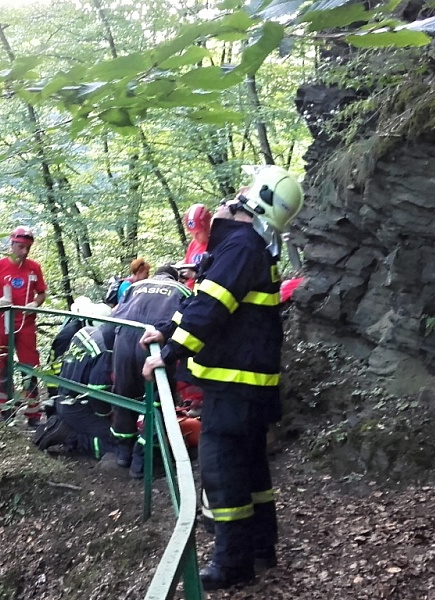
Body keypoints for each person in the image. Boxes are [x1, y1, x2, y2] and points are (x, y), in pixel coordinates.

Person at [141, 165, 304, 591]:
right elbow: (205, 300)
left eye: (246, 187)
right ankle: (260, 548)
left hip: (235, 385)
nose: (232, 194)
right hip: (248, 384)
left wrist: (170, 354)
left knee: (223, 469)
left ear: (255, 201)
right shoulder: (247, 247)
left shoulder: (241, 248)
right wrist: (168, 330)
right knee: (251, 468)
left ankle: (232, 564)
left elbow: (212, 308)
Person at [108, 264, 192, 470]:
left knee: (123, 396)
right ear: (175, 278)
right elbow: (188, 323)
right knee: (158, 400)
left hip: (124, 342)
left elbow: (115, 315)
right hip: (155, 344)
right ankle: (143, 462)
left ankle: (123, 453)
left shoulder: (134, 287)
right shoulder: (182, 290)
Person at [0, 226, 47, 427]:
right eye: (20, 247)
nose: (24, 252)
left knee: (30, 367)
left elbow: (42, 293)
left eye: (27, 248)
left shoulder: (34, 268)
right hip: (3, 323)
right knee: (4, 367)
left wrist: (34, 304)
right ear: (12, 245)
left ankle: (33, 414)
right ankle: (5, 411)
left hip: (26, 324)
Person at [32, 323, 118, 460]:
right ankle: (71, 436)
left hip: (64, 398)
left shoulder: (85, 332)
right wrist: (110, 415)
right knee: (118, 442)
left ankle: (62, 423)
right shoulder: (105, 352)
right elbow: (98, 396)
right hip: (79, 408)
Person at [181, 203, 213, 290]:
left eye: (198, 233)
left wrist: (195, 275)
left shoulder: (217, 244)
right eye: (191, 233)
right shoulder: (194, 243)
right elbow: (187, 263)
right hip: (189, 291)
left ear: (208, 227)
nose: (195, 237)